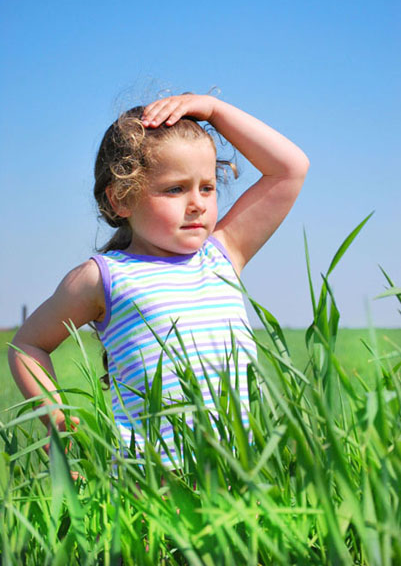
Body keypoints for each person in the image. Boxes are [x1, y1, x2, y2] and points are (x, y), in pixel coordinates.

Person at [8, 93, 309, 466]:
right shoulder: (104, 277)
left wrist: (213, 110)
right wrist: (55, 417)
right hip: (151, 485)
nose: (197, 202)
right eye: (175, 189)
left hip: (244, 474)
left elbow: (291, 169)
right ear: (121, 199)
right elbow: (28, 346)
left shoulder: (222, 255)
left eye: (207, 187)